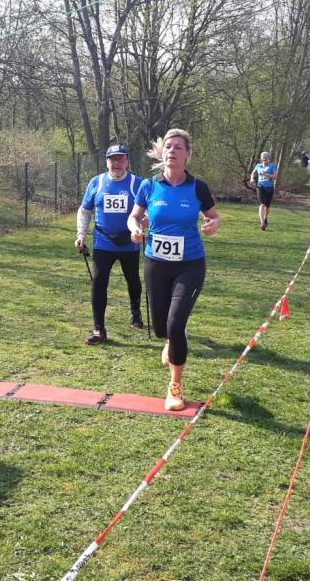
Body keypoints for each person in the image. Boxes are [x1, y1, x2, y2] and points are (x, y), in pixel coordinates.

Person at [127, 129, 222, 411]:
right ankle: (170, 338)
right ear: (162, 152)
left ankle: (175, 387)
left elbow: (214, 216)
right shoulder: (149, 186)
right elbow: (134, 216)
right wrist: (134, 228)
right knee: (161, 328)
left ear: (187, 155)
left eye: (178, 147)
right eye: (168, 146)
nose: (172, 151)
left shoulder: (197, 187)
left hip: (190, 264)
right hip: (156, 263)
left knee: (176, 324)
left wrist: (213, 225)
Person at [76, 144, 144, 345]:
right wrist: (81, 234)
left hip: (129, 242)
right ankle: (99, 329)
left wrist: (143, 224)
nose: (116, 163)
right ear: (107, 162)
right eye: (113, 159)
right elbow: (85, 211)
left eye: (120, 159)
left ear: (127, 161)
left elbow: (148, 210)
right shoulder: (96, 182)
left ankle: (136, 312)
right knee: (98, 283)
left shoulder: (137, 183)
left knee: (133, 280)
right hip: (103, 242)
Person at [251, 152, 277, 230]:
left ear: (268, 159)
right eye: (263, 158)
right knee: (262, 204)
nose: (264, 160)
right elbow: (253, 172)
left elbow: (275, 177)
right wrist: (252, 178)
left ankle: (265, 218)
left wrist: (267, 174)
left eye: (266, 158)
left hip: (269, 188)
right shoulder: (258, 166)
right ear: (261, 159)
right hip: (260, 187)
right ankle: (262, 223)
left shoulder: (272, 166)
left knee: (267, 206)